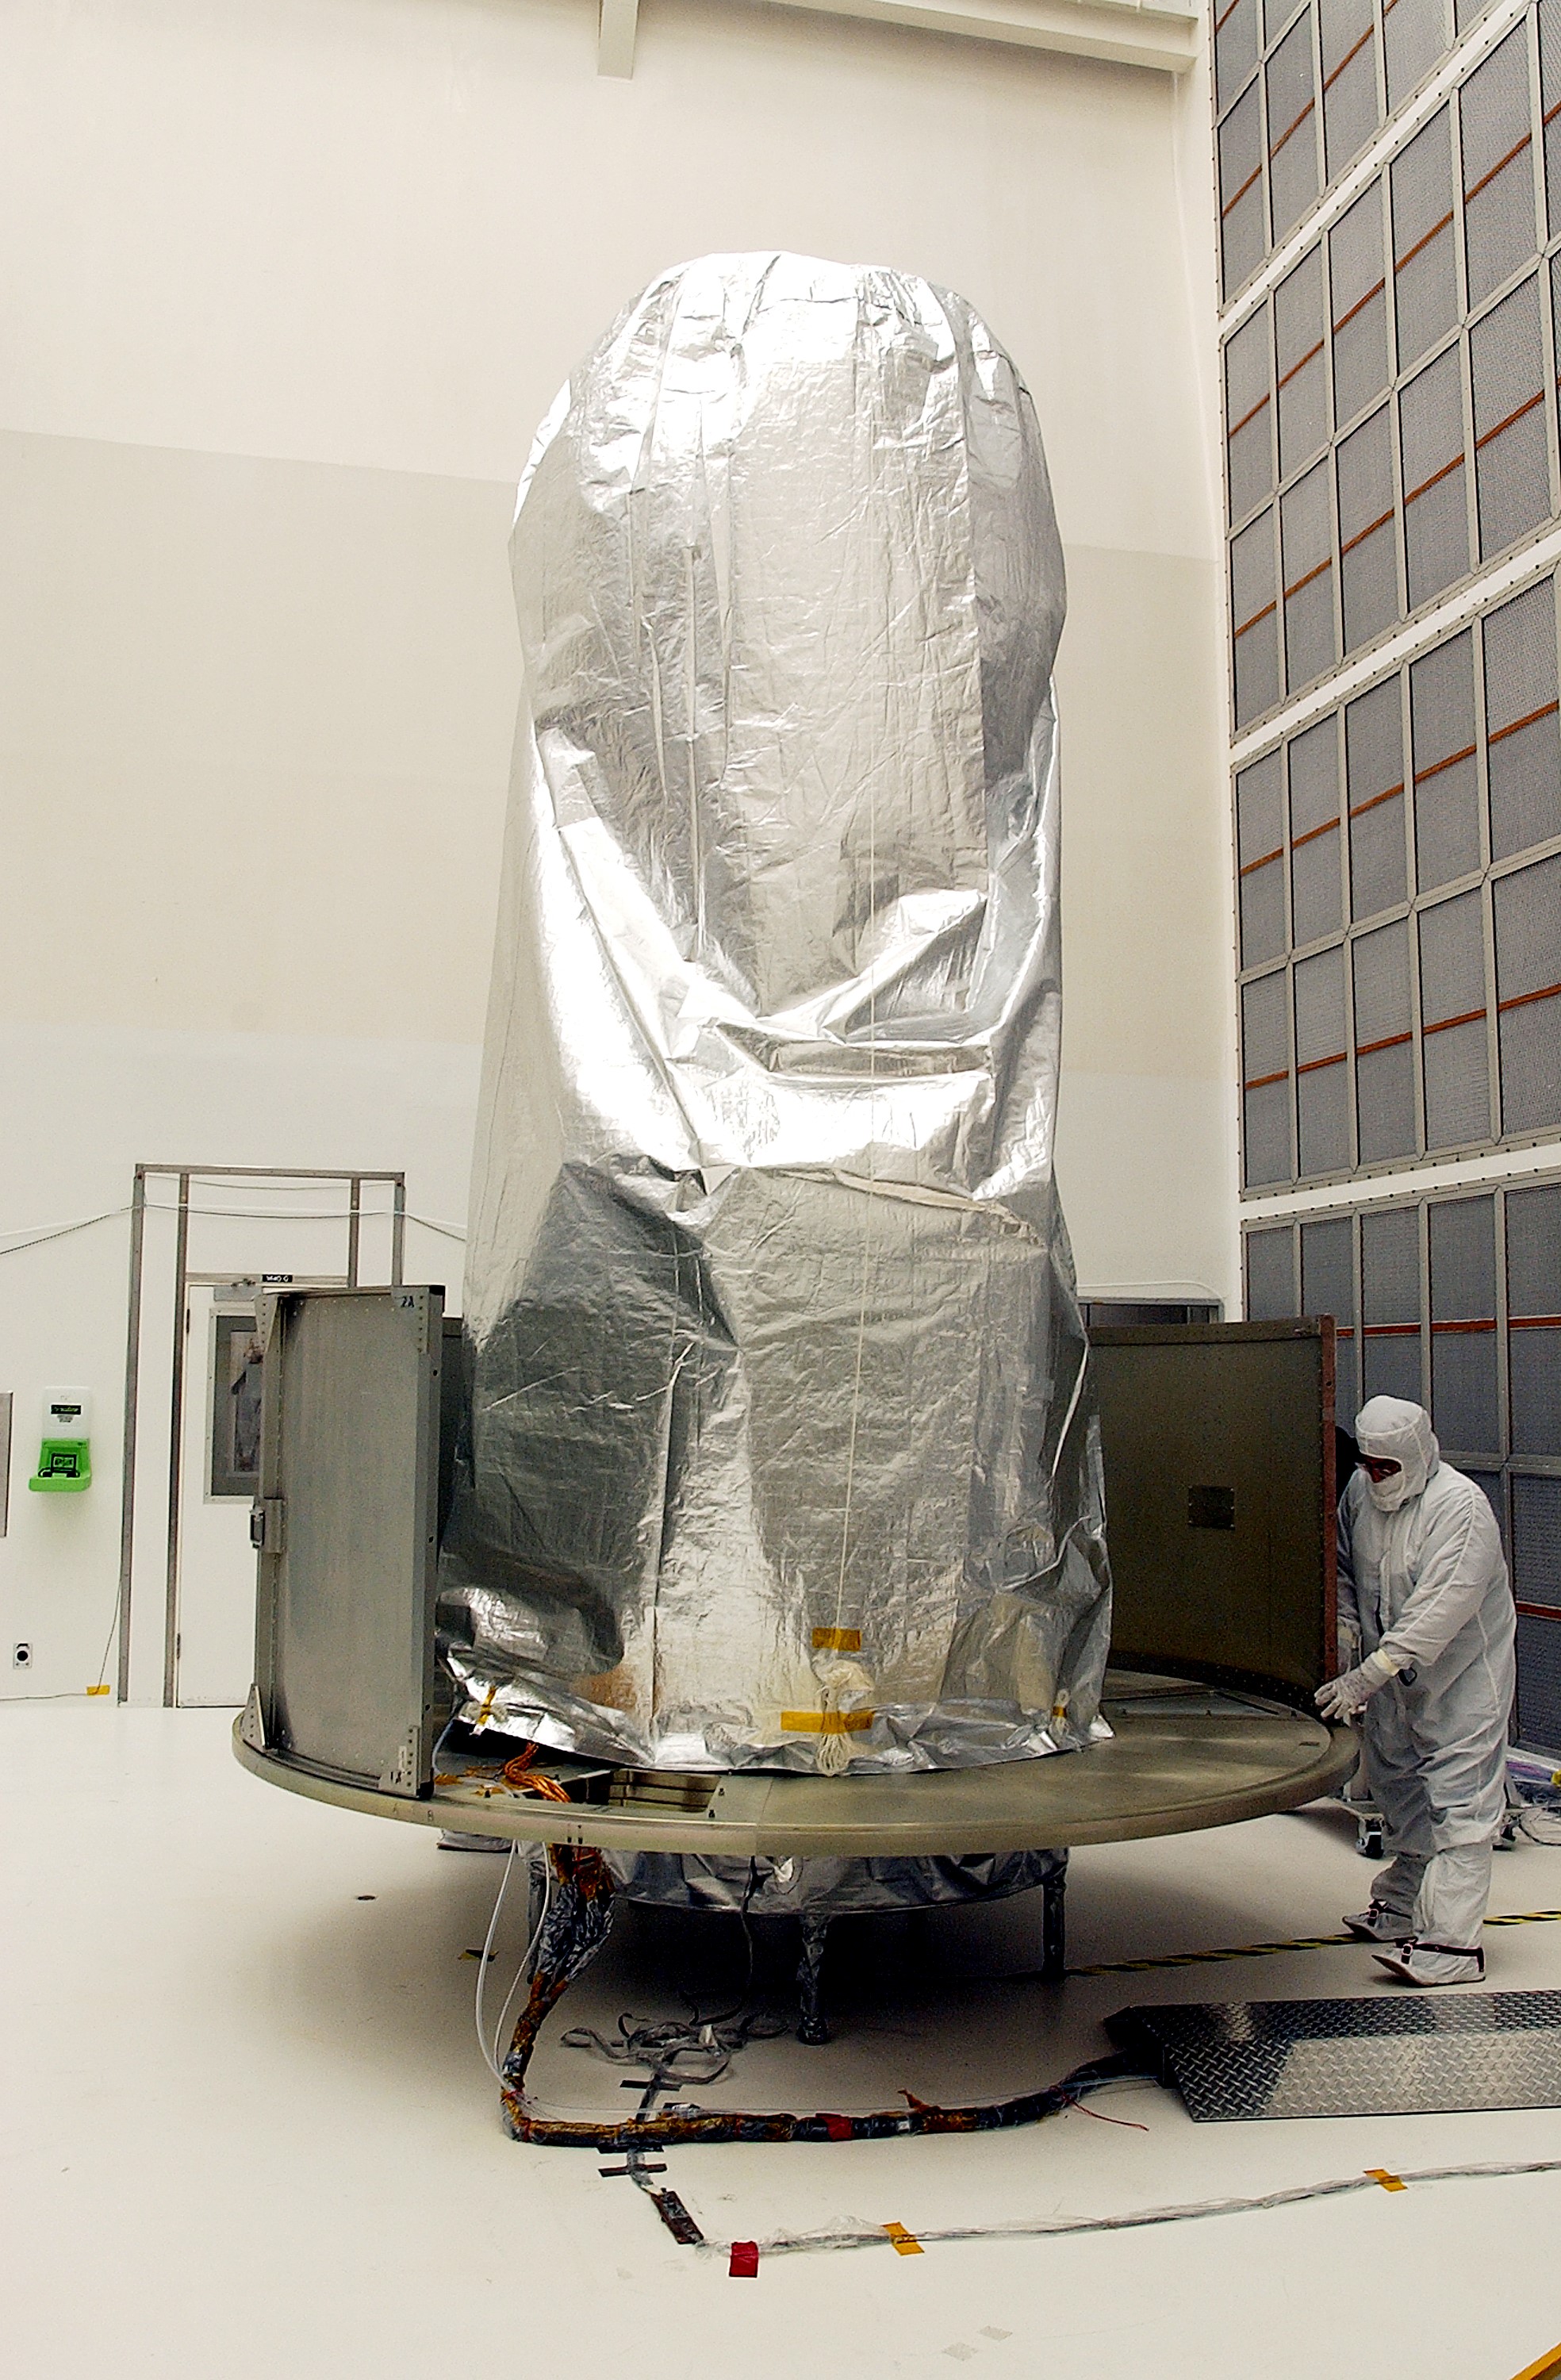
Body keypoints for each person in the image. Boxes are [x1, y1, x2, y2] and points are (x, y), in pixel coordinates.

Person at [1317, 1395, 1516, 1986]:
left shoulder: (1460, 1507)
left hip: (1460, 1682)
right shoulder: (1360, 1494)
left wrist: (1369, 1673)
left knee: (1461, 1808)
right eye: (1368, 1466)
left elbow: (1440, 1609)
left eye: (1387, 1469)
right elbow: (1346, 1569)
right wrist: (1350, 1632)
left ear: (1416, 1455)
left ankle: (1451, 1947)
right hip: (1391, 1679)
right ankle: (1403, 1904)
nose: (1377, 1479)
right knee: (1398, 1786)